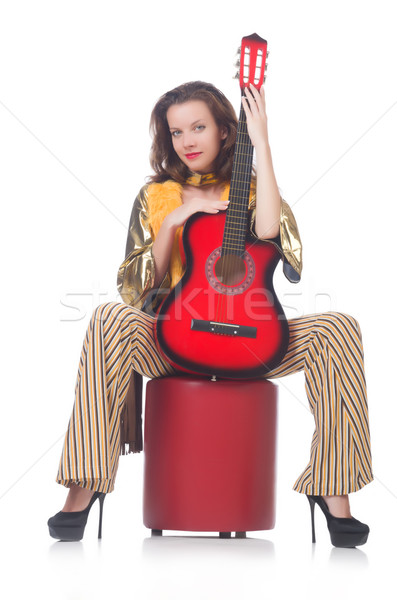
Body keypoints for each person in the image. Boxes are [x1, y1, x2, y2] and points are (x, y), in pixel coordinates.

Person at [48, 81, 373, 547]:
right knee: (107, 317)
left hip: (252, 341)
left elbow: (272, 237)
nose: (188, 141)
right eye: (177, 132)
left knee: (337, 328)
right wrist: (176, 221)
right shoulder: (157, 197)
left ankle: (333, 488)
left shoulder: (257, 189)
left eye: (199, 127)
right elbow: (136, 291)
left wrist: (261, 145)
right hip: (173, 340)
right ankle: (86, 482)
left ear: (225, 129)